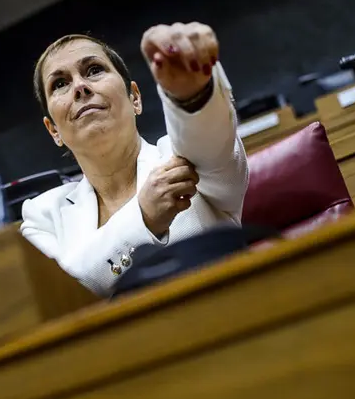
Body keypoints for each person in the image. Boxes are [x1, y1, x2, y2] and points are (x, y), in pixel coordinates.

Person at [20, 22, 248, 296]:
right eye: (60, 84)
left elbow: (209, 137)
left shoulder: (183, 155)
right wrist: (142, 216)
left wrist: (193, 94)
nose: (80, 87)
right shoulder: (42, 216)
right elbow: (60, 295)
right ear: (53, 130)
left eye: (94, 70)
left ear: (135, 98)